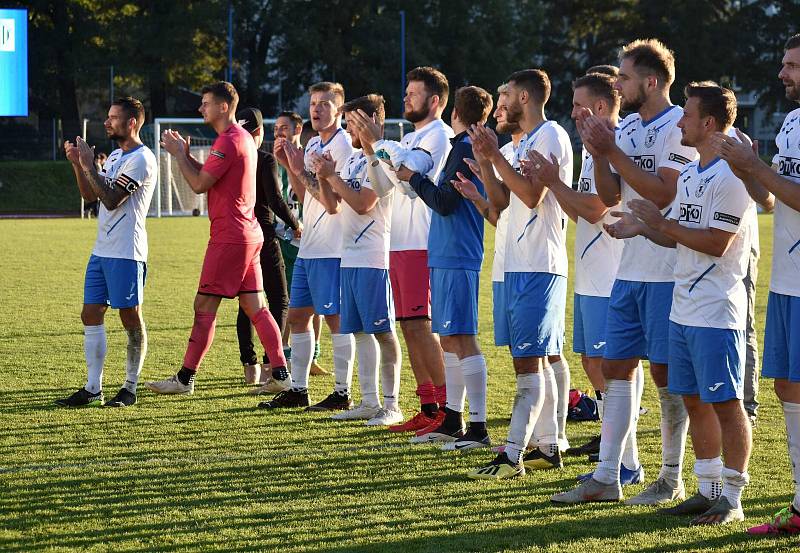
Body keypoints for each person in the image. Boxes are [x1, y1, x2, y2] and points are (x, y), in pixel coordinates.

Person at [553, 39, 697, 504]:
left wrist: (611, 150)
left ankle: (670, 477)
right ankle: (607, 475)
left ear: (651, 82)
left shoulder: (680, 127)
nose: (618, 84)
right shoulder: (630, 126)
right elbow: (611, 196)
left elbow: (661, 194)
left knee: (665, 375)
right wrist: (597, 150)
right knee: (615, 367)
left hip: (666, 270)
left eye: (626, 77)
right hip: (628, 272)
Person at [610, 82, 753, 525]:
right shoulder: (692, 174)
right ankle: (707, 488)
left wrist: (662, 226)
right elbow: (678, 237)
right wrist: (644, 228)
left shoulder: (731, 179)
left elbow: (715, 242)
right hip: (683, 309)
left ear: (708, 123)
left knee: (727, 405)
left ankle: (732, 497)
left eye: (686, 116)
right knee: (690, 397)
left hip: (715, 311)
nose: (681, 122)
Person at [529, 71, 645, 486]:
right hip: (590, 273)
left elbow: (597, 208)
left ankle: (627, 461)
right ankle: (617, 452)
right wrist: (558, 187)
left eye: (579, 103)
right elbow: (580, 210)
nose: (573, 110)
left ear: (598, 107)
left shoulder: (615, 144)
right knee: (592, 361)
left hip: (612, 275)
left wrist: (551, 182)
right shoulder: (590, 146)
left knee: (614, 366)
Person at [465, 69, 573, 479]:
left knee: (529, 364)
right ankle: (547, 445)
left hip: (538, 265)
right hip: (513, 266)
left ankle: (513, 455)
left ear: (525, 97)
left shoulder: (550, 135)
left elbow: (531, 195)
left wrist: (493, 158)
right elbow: (502, 204)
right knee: (531, 359)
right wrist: (485, 165)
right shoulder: (518, 144)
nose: (499, 102)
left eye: (505, 94)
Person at [145, 81, 286, 395]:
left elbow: (198, 185)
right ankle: (280, 373)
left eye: (205, 103)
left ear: (223, 106)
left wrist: (178, 155)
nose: (200, 109)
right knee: (256, 306)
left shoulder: (228, 140)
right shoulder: (243, 138)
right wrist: (185, 155)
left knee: (204, 303)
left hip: (230, 237)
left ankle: (184, 379)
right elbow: (210, 176)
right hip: (249, 234)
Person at [718, 33, 800, 536]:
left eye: (791, 65)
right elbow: (771, 200)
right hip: (787, 279)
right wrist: (747, 171)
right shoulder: (791, 123)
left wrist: (756, 167)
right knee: (787, 386)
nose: (781, 74)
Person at [396, 85, 494, 451]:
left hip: (458, 254)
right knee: (451, 339)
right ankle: (453, 419)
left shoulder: (464, 148)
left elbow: (445, 202)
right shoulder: (462, 148)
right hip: (446, 254)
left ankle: (479, 428)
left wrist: (414, 178)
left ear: (455, 113)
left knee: (463, 339)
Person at [357, 67, 453, 434]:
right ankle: (428, 406)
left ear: (435, 101)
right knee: (410, 327)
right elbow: (383, 186)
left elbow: (411, 180)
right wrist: (371, 150)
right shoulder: (410, 138)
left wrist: (380, 142)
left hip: (420, 243)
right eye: (406, 92)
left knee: (422, 327)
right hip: (399, 243)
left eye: (414, 94)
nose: (406, 99)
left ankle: (446, 410)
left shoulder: (439, 136)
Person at [308, 95, 403, 425]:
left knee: (383, 333)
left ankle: (391, 405)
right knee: (361, 333)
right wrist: (323, 174)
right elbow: (333, 205)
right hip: (348, 258)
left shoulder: (383, 156)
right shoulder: (351, 162)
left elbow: (364, 203)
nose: (348, 127)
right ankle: (368, 401)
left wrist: (332, 177)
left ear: (371, 121)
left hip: (373, 258)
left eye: (353, 122)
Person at [57, 97, 156, 408]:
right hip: (101, 251)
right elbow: (91, 195)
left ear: (131, 123)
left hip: (127, 253)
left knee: (130, 317)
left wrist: (89, 164)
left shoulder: (142, 159)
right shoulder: (114, 155)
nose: (106, 121)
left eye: (113, 117)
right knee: (91, 313)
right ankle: (93, 387)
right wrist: (78, 164)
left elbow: (113, 199)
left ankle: (129, 387)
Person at [268, 82, 356, 409]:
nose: (316, 109)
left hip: (332, 247)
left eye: (324, 103)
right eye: (313, 103)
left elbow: (332, 201)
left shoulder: (344, 146)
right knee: (299, 316)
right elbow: (306, 197)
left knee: (335, 320)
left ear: (340, 111)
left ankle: (342, 392)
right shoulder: (314, 143)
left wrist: (300, 170)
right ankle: (299, 389)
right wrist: (293, 167)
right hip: (310, 245)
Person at [233, 107, 301, 388]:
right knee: (279, 300)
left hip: (236, 236)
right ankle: (271, 364)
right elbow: (275, 199)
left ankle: (250, 368)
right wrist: (295, 223)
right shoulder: (263, 158)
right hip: (263, 234)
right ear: (260, 132)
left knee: (246, 303)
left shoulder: (232, 157)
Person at [271, 111, 328, 379]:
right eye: (276, 129)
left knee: (313, 305)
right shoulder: (269, 161)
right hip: (280, 240)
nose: (279, 133)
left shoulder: (309, 158)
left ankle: (312, 357)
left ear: (298, 129)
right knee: (285, 304)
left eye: (284, 128)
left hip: (310, 240)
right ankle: (279, 357)